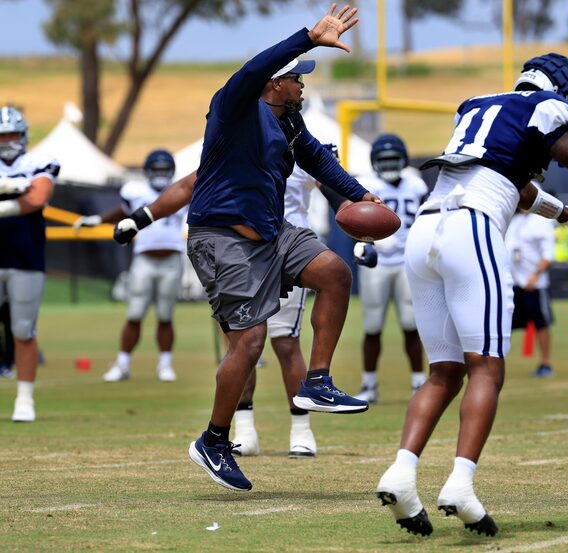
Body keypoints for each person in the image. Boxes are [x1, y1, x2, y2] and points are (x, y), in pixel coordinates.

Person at [113, 5, 381, 491]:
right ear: (275, 83)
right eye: (297, 79)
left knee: (335, 273)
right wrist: (307, 38)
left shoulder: (290, 123)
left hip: (272, 232)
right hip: (221, 237)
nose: (303, 85)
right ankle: (215, 439)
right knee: (250, 342)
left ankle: (317, 380)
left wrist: (360, 195)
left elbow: (319, 161)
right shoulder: (235, 104)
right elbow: (253, 69)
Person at [376, 54, 568, 537]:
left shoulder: (477, 107)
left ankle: (402, 474)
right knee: (486, 368)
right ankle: (461, 484)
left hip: (426, 230)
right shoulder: (549, 108)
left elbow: (508, 180)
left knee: (444, 371)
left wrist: (564, 215)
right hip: (472, 228)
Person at [232, 144, 342, 458]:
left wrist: (359, 233)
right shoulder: (236, 140)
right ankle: (244, 431)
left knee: (285, 342)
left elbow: (335, 190)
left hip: (289, 254)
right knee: (241, 346)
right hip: (242, 254)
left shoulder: (303, 146)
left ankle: (301, 430)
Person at [74, 149, 185, 383]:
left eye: (165, 170)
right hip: (144, 259)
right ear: (147, 172)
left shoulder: (182, 190)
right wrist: (98, 219)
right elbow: (123, 212)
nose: (160, 175)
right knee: (134, 314)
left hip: (172, 259)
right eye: (157, 170)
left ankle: (165, 365)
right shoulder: (136, 191)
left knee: (166, 315)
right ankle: (122, 364)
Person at [352, 134, 428, 403]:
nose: (389, 165)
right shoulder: (367, 185)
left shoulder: (416, 184)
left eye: (393, 159)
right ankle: (369, 384)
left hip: (408, 261)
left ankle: (420, 382)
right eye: (383, 160)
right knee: (372, 325)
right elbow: (354, 221)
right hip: (377, 262)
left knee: (410, 324)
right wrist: (365, 241)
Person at [0, 105, 60, 422]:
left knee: (23, 330)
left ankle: (25, 399)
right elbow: (26, 194)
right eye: (2, 134)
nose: (7, 140)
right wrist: (15, 188)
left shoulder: (39, 161)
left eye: (12, 134)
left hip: (26, 258)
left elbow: (37, 198)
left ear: (22, 135)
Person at [504, 205, 556, 377]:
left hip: (534, 283)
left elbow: (548, 254)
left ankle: (545, 363)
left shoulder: (541, 221)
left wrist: (535, 275)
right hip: (511, 282)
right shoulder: (511, 219)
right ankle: (498, 362)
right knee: (504, 324)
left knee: (541, 323)